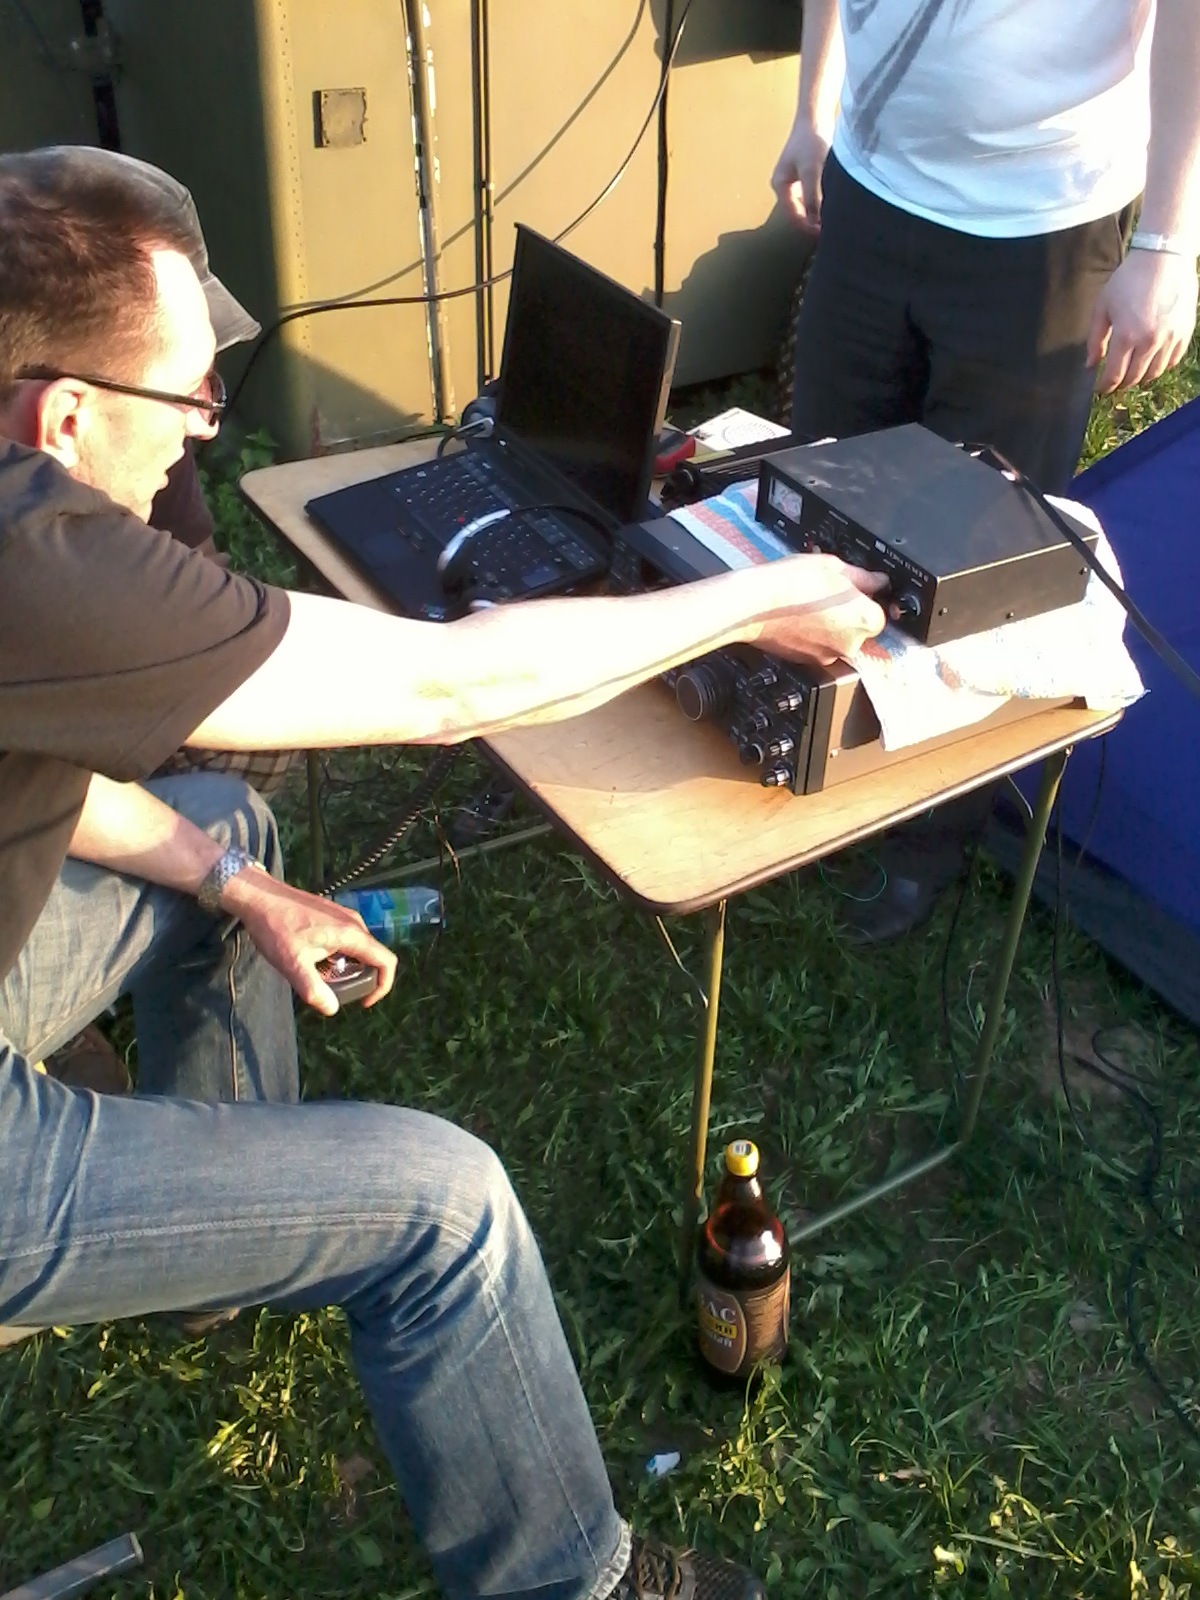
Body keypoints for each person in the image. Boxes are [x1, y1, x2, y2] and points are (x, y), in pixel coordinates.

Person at [0, 148, 886, 1600]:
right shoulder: (38, 558)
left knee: (225, 827)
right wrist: (763, 596)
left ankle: (211, 1255)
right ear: (66, 415)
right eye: (188, 396)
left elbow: (41, 766)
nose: (204, 429)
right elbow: (447, 688)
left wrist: (233, 886)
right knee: (445, 1205)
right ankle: (574, 1582)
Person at [770, 0, 1200, 942]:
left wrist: (1169, 242)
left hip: (1041, 222)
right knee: (821, 496)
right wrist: (814, 106)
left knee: (979, 560)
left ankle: (926, 840)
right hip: (871, 183)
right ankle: (804, 770)